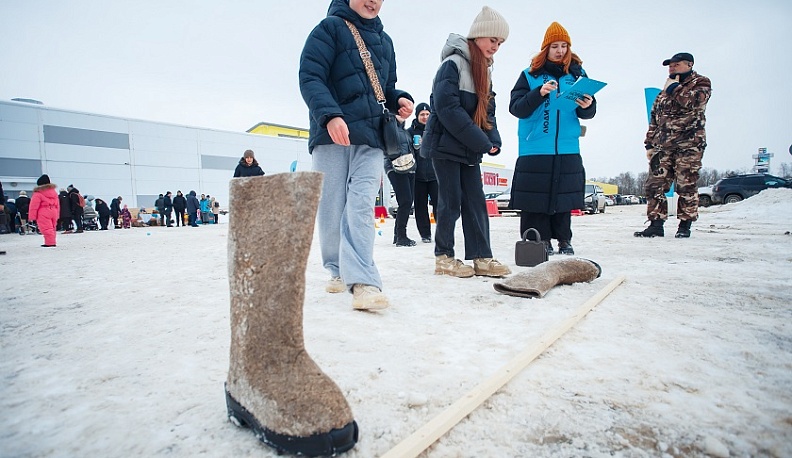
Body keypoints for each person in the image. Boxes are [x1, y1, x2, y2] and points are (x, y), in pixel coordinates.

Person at [299, 0, 414, 310]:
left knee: (362, 204)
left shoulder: (385, 41)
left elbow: (386, 88)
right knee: (332, 205)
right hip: (332, 133)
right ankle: (336, 269)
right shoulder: (329, 29)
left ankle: (363, 281)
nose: (373, 1)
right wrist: (330, 116)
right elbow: (311, 77)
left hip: (371, 137)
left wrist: (399, 99)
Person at [422, 6, 511, 279]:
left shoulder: (484, 70)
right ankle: (444, 257)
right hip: (445, 146)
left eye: (500, 42)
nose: (495, 46)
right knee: (450, 202)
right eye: (492, 40)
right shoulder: (453, 64)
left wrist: (492, 139)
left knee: (476, 201)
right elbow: (447, 109)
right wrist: (480, 140)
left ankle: (482, 257)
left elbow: (489, 111)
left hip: (469, 148)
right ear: (478, 36)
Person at [508, 21, 597, 256]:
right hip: (535, 146)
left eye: (564, 46)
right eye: (554, 46)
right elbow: (516, 108)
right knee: (535, 200)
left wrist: (588, 106)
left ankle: (564, 240)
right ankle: (539, 240)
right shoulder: (529, 75)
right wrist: (538, 93)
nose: (560, 51)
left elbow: (586, 112)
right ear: (545, 49)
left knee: (563, 198)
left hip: (567, 146)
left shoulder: (577, 75)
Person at [634, 52, 712, 239]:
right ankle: (656, 224)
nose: (672, 67)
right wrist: (649, 144)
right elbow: (654, 119)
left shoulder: (700, 83)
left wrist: (675, 89)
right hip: (662, 146)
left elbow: (694, 102)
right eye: (670, 65)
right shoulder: (664, 92)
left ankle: (684, 226)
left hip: (688, 144)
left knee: (686, 185)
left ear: (689, 64)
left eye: (676, 64)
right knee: (654, 185)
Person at [385, 117, 417, 247]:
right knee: (405, 201)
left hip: (408, 166)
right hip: (395, 167)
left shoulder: (404, 131)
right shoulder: (389, 126)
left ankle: (397, 235)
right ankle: (401, 236)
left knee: (407, 201)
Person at [409, 102, 437, 244]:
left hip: (435, 175)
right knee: (420, 207)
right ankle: (425, 234)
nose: (425, 117)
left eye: (427, 114)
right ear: (417, 116)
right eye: (422, 114)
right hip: (417, 176)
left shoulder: (437, 130)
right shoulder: (410, 132)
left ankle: (442, 232)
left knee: (439, 204)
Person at [28, 174, 60, 247]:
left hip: (43, 212)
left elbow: (34, 206)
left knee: (46, 228)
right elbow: (58, 204)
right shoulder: (54, 192)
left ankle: (49, 243)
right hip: (54, 211)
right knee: (52, 228)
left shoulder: (38, 193)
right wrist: (57, 214)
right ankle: (52, 241)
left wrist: (32, 217)